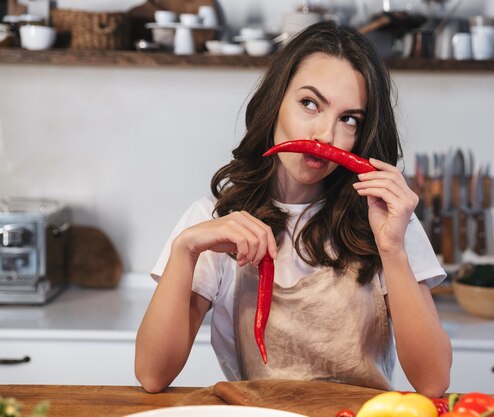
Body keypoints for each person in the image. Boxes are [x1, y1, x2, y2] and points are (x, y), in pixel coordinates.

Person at [135, 20, 452, 397]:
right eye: (309, 104)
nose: (325, 135)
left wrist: (393, 250)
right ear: (275, 103)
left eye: (348, 119)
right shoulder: (214, 219)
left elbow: (433, 382)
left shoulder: (386, 216)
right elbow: (153, 375)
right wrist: (184, 250)